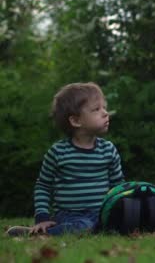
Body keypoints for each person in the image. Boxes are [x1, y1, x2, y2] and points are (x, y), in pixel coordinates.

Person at [6, 82, 124, 236]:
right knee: (84, 226)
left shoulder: (108, 150)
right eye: (96, 109)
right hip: (69, 215)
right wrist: (42, 217)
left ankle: (37, 233)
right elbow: (43, 186)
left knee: (115, 226)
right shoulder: (58, 153)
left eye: (104, 107)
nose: (105, 113)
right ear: (76, 121)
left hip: (100, 214)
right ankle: (42, 233)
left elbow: (119, 187)